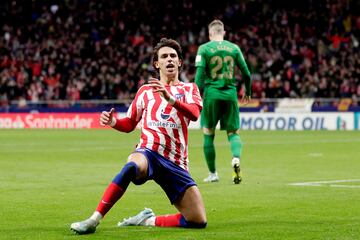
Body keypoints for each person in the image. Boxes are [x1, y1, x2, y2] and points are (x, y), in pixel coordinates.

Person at [70, 38, 206, 234]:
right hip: (148, 151)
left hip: (176, 162)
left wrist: (170, 99)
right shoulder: (145, 91)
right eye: (164, 56)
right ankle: (93, 220)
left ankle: (147, 220)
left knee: (197, 220)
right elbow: (130, 123)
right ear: (156, 64)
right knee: (133, 165)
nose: (169, 59)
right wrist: (114, 122)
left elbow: (194, 114)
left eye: (173, 56)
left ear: (180, 62)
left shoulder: (189, 89)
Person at [194, 20, 252, 184]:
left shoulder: (204, 49)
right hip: (230, 95)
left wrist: (195, 96)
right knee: (233, 133)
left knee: (208, 133)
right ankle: (235, 158)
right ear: (223, 32)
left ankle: (213, 174)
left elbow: (199, 77)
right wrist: (248, 91)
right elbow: (246, 73)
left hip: (211, 95)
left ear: (210, 34)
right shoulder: (234, 48)